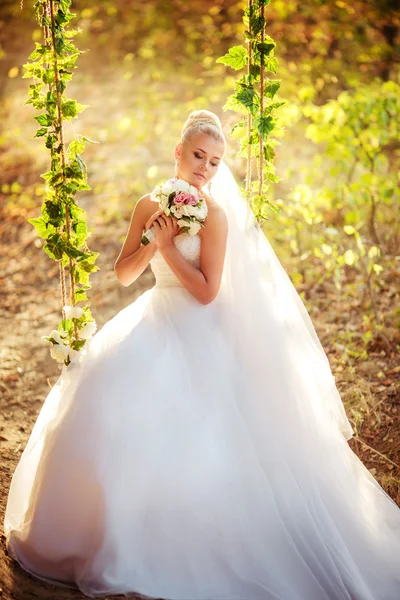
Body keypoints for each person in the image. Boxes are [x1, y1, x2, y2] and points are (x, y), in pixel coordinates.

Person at [3, 110, 400, 600]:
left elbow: (209, 292)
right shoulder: (147, 202)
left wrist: (170, 249)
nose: (204, 168)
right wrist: (153, 240)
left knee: (206, 434)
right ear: (178, 151)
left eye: (214, 162)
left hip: (199, 326)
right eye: (198, 156)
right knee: (105, 412)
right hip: (153, 317)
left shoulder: (215, 216)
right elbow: (125, 274)